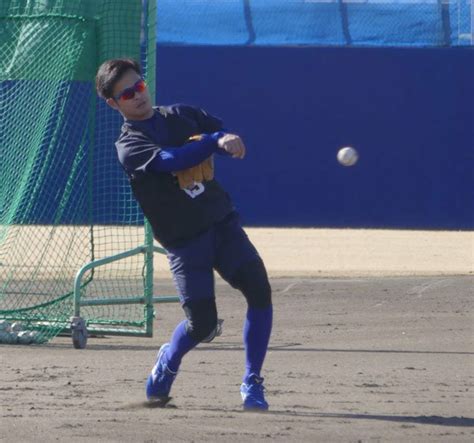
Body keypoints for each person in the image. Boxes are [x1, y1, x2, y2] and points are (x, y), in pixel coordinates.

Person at [95, 58, 273, 410]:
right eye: (127, 94)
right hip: (184, 242)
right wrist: (211, 142)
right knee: (202, 325)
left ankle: (252, 381)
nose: (138, 96)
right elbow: (170, 160)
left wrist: (225, 138)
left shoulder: (180, 115)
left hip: (220, 222)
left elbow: (216, 132)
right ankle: (169, 358)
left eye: (139, 86)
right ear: (113, 104)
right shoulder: (129, 145)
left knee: (259, 289)